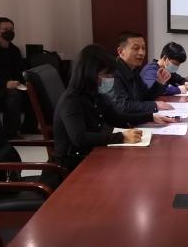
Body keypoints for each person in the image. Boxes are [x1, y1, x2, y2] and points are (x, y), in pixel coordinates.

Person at [52, 45, 143, 173]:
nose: (110, 78)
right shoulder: (71, 100)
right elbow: (80, 138)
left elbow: (117, 118)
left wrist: (151, 117)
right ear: (90, 74)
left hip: (92, 156)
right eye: (105, 74)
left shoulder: (95, 95)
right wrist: (121, 137)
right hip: (69, 169)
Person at [103, 31, 176, 124]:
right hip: (119, 126)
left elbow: (146, 96)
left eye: (143, 48)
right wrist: (154, 105)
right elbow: (122, 106)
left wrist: (159, 83)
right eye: (136, 48)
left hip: (135, 120)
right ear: (121, 52)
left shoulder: (133, 70)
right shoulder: (111, 73)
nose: (141, 53)